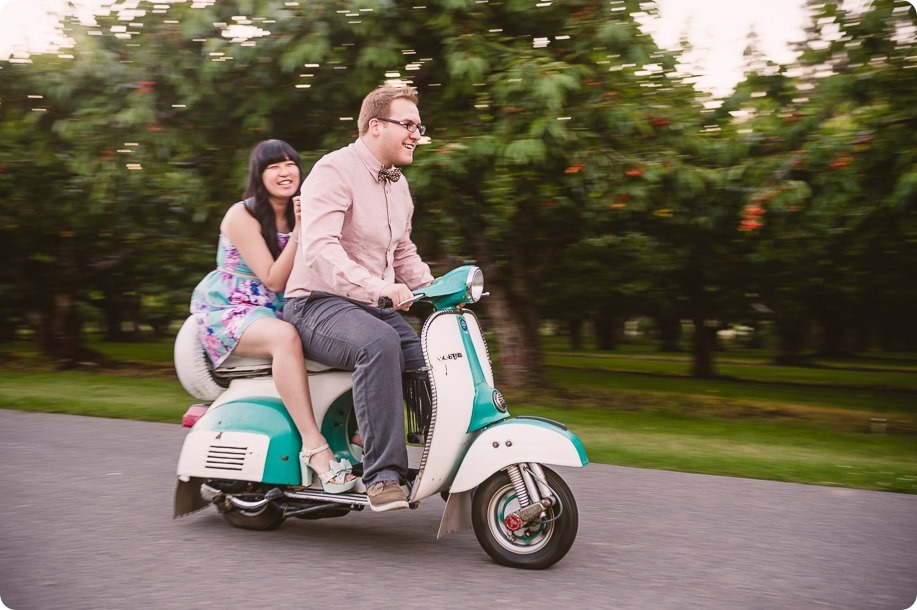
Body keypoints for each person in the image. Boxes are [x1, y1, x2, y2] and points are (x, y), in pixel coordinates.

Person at [284, 85, 434, 512]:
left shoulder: (398, 185)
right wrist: (378, 288)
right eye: (407, 125)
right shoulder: (334, 171)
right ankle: (382, 475)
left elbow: (403, 252)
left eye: (419, 127)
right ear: (374, 127)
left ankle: (444, 453)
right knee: (379, 344)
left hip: (369, 305)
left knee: (428, 352)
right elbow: (320, 248)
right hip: (316, 303)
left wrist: (436, 291)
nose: (416, 135)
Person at [190, 139, 355, 494]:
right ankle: (315, 447)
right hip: (233, 308)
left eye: (290, 163)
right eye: (273, 166)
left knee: (353, 334)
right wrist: (300, 230)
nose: (285, 172)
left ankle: (354, 433)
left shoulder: (306, 208)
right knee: (285, 338)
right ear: (259, 175)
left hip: (281, 307)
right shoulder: (241, 215)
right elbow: (272, 278)